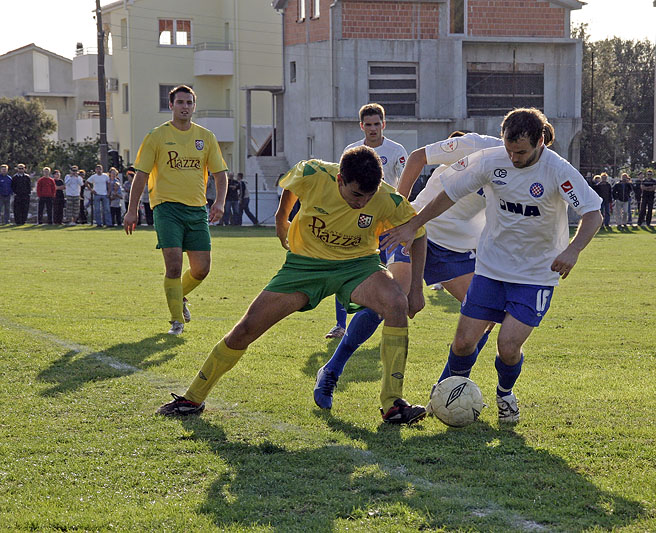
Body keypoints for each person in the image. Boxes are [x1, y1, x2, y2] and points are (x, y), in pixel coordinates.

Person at [156, 146, 429, 425]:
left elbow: (418, 233)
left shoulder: (386, 198)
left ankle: (393, 403)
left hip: (357, 266)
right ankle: (192, 398)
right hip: (304, 267)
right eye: (357, 195)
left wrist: (416, 291)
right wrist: (281, 218)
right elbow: (292, 185)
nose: (363, 202)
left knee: (396, 302)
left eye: (369, 196)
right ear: (339, 180)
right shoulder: (315, 172)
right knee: (246, 328)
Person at [382, 108, 603, 424]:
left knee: (508, 346)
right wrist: (414, 224)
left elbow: (593, 213)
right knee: (463, 343)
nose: (513, 158)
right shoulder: (492, 160)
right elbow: (449, 194)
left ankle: (505, 394)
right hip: (490, 269)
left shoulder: (558, 170)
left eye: (521, 153)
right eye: (509, 150)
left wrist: (573, 250)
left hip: (535, 275)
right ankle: (453, 395)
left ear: (540, 142)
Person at [313, 130, 500, 411]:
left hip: (457, 249)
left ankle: (446, 390)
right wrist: (398, 207)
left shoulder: (532, 174)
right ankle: (331, 370)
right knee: (391, 300)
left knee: (486, 314)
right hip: (417, 228)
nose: (520, 156)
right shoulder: (476, 144)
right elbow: (417, 157)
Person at [124, 84, 229, 335]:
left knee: (202, 269)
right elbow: (141, 175)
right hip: (166, 208)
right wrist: (131, 209)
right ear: (171, 105)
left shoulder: (206, 137)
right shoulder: (157, 136)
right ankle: (176, 321)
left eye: (189, 103)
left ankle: (178, 296)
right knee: (173, 265)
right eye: (180, 102)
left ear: (194, 106)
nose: (185, 107)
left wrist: (220, 202)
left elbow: (220, 174)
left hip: (197, 210)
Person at [325, 103, 409, 339]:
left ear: (384, 124)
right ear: (361, 126)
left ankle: (377, 317)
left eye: (377, 124)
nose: (373, 129)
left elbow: (406, 184)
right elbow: (342, 183)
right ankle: (340, 325)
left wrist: (400, 214)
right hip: (356, 219)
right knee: (346, 268)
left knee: (383, 271)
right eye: (368, 124)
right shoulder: (352, 150)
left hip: (386, 221)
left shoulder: (396, 150)